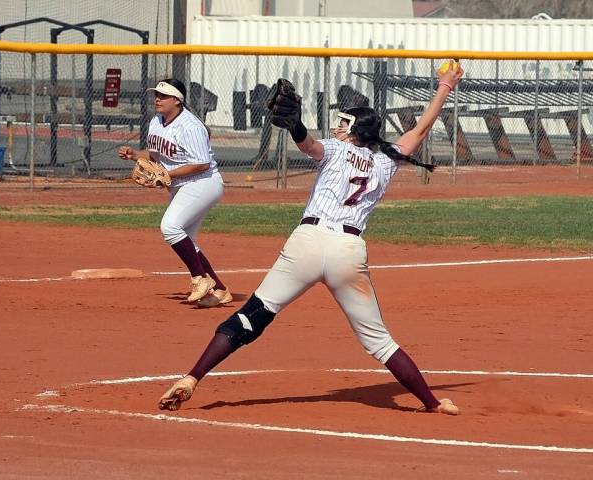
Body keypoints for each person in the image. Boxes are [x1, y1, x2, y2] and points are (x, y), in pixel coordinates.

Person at [158, 61, 465, 414]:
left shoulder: (336, 149)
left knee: (253, 315)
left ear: (354, 131)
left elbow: (307, 144)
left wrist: (295, 124)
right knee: (380, 342)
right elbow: (422, 129)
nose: (338, 126)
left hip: (307, 242)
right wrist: (444, 87)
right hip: (349, 252)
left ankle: (193, 377)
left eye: (343, 123)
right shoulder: (385, 163)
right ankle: (432, 403)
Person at [118, 78, 231, 307]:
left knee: (170, 227)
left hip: (203, 183)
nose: (157, 99)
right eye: (156, 95)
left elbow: (202, 164)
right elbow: (156, 155)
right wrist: (134, 154)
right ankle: (219, 289)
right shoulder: (157, 121)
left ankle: (200, 279)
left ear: (177, 100)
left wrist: (168, 176)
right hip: (182, 185)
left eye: (163, 95)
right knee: (185, 238)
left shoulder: (191, 126)